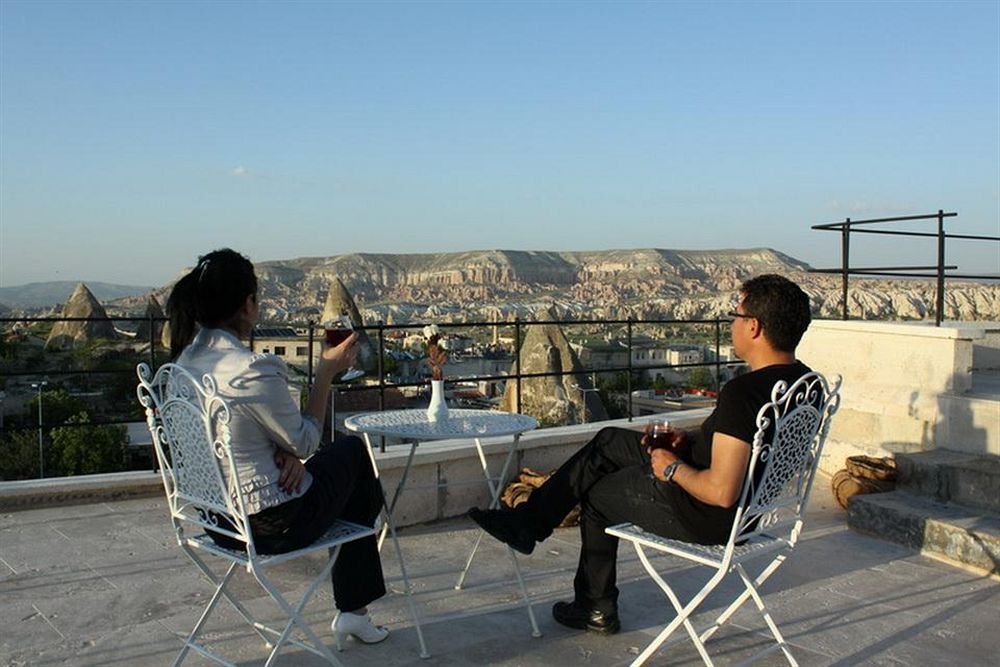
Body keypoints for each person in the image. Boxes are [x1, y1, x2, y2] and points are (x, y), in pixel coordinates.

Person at [469, 274, 813, 635]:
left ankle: (594, 606)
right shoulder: (804, 385)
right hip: (750, 513)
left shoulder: (744, 393)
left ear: (754, 327)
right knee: (607, 441)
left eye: (736, 315)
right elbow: (741, 444)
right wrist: (687, 440)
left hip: (709, 514)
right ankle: (528, 522)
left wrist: (672, 468)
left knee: (598, 494)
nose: (731, 323)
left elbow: (721, 491)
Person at [166, 248, 389, 646]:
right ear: (249, 305)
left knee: (334, 466)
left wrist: (285, 452)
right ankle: (354, 609)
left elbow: (234, 436)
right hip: (273, 524)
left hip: (216, 523)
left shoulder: (183, 363)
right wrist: (325, 372)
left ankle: (355, 608)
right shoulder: (251, 369)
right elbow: (306, 440)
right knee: (354, 454)